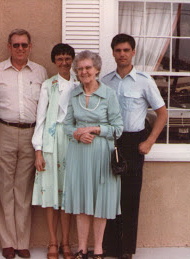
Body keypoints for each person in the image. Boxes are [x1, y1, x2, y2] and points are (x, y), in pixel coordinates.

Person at [102, 34, 168, 259]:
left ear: (133, 52)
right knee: (109, 196)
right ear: (112, 52)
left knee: (130, 197)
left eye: (126, 50)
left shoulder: (144, 81)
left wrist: (149, 142)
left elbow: (162, 114)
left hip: (133, 143)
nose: (122, 54)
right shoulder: (105, 81)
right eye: (118, 50)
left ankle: (127, 249)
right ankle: (109, 247)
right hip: (110, 143)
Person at [0, 29, 48, 259]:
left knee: (23, 189)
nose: (20, 49)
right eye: (16, 45)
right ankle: (7, 242)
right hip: (3, 131)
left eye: (24, 45)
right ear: (9, 47)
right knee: (4, 188)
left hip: (31, 134)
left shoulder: (40, 72)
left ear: (30, 47)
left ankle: (22, 241)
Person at [62, 50, 123, 259]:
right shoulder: (74, 94)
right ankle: (81, 248)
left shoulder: (109, 94)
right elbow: (67, 125)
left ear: (97, 69)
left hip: (102, 155)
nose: (84, 72)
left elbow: (118, 128)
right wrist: (78, 135)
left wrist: (94, 130)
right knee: (82, 201)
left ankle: (97, 249)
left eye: (88, 68)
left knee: (101, 201)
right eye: (80, 69)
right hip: (79, 154)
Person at [31, 43, 77, 259]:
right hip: (50, 141)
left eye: (67, 58)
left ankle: (66, 242)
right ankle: (52, 242)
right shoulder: (48, 85)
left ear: (72, 60)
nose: (64, 62)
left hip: (73, 142)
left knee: (67, 193)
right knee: (51, 192)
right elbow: (40, 118)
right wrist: (38, 150)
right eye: (60, 59)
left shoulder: (80, 83)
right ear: (54, 61)